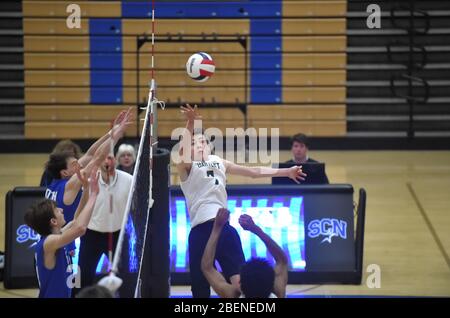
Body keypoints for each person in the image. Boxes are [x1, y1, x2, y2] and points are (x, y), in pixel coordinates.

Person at [175, 104, 305, 298]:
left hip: (224, 228)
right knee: (200, 287)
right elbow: (182, 152)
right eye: (195, 142)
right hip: (201, 230)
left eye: (203, 141)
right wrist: (191, 123)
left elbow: (253, 172)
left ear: (210, 147)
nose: (200, 144)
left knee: (239, 284)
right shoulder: (187, 167)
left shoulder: (219, 162)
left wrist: (286, 172)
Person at [44, 109, 132, 257]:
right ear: (65, 173)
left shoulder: (53, 183)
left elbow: (90, 154)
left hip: (55, 236)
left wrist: (112, 131)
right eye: (74, 164)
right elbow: (97, 158)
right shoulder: (69, 185)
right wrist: (116, 136)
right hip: (63, 241)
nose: (79, 165)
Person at [24, 169, 100, 298]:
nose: (61, 209)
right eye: (57, 210)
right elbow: (80, 228)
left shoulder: (59, 236)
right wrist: (94, 195)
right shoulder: (48, 243)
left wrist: (86, 188)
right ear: (53, 221)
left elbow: (77, 220)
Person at [201, 209, 288, 298]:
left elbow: (207, 267)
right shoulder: (278, 294)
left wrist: (217, 228)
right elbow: (282, 260)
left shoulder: (233, 295)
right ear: (272, 283)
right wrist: (256, 229)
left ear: (240, 283)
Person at [78, 153, 132, 289]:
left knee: (125, 279)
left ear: (116, 160)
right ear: (98, 161)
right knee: (83, 277)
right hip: (91, 235)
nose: (108, 161)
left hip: (118, 236)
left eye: (111, 157)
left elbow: (137, 207)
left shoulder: (130, 180)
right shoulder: (88, 181)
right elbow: (80, 209)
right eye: (104, 157)